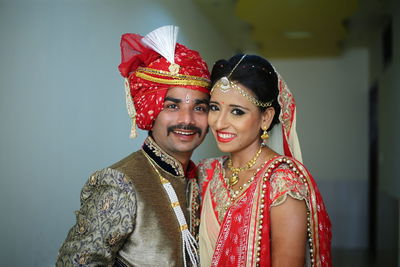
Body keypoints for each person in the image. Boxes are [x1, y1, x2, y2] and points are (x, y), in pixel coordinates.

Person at [56, 25, 211, 267]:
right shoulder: (120, 182)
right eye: (172, 106)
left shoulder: (205, 179)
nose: (187, 119)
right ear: (150, 111)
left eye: (199, 108)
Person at [198, 54, 332, 267]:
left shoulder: (282, 184)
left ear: (265, 118)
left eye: (237, 112)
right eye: (214, 107)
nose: (219, 122)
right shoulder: (206, 172)